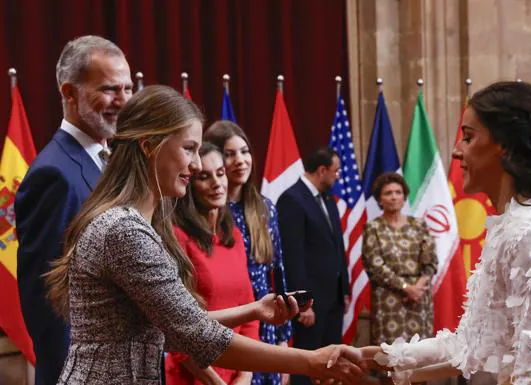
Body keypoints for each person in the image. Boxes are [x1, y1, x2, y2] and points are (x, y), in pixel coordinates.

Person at [43, 85, 363, 384]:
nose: (196, 165)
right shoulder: (124, 230)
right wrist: (310, 361)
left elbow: (165, 327)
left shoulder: (128, 223)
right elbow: (195, 333)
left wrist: (253, 310)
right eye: (189, 149)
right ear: (149, 146)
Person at [361, 81, 531, 385]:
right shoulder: (514, 226)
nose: (456, 150)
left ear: (503, 145)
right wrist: (381, 358)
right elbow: (471, 343)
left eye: (468, 137)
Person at [15, 35, 132, 385]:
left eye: (128, 88)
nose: (124, 101)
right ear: (69, 93)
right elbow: (48, 301)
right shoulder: (55, 174)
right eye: (111, 89)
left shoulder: (109, 159)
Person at [204, 121, 292, 385]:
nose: (240, 160)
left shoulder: (265, 208)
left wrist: (283, 338)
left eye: (244, 151)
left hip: (265, 324)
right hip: (227, 322)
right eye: (230, 154)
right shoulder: (208, 212)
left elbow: (278, 274)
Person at [167, 142, 259, 385]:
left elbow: (250, 311)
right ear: (189, 184)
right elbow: (175, 325)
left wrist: (245, 375)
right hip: (196, 376)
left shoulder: (235, 236)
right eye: (204, 177)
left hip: (238, 371)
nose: (217, 183)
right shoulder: (177, 238)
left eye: (220, 174)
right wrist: (216, 382)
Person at [277, 147, 350, 385]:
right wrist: (303, 303)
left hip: (334, 299)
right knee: (306, 365)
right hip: (311, 304)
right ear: (322, 170)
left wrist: (345, 288)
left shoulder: (327, 198)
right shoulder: (292, 199)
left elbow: (337, 247)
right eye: (336, 171)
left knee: (330, 364)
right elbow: (293, 256)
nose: (338, 176)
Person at [362, 172, 437, 348]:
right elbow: (375, 265)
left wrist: (418, 287)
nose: (394, 197)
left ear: (404, 197)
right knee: (391, 359)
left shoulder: (418, 224)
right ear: (380, 199)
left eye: (398, 192)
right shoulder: (373, 227)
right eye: (388, 193)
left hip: (419, 298)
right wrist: (406, 288)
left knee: (420, 355)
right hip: (389, 299)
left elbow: (431, 261)